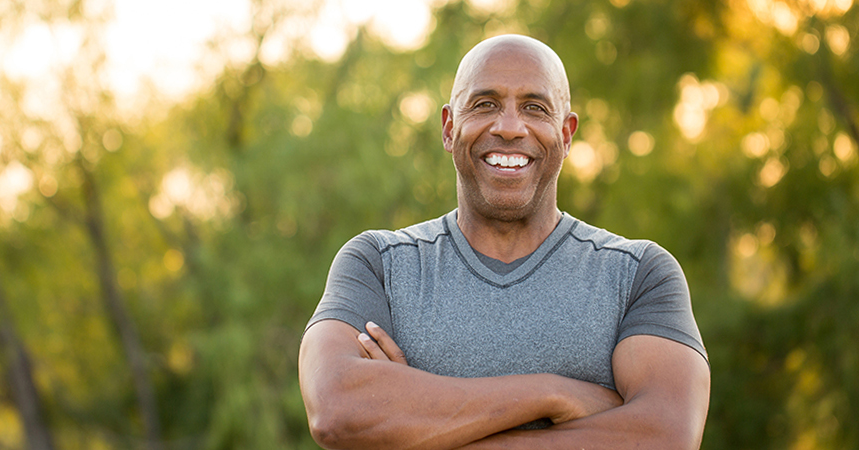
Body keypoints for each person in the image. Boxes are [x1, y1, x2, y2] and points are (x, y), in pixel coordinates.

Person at [297, 34, 710, 449]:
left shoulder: (639, 275)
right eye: (484, 105)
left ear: (566, 134)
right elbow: (336, 410)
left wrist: (416, 426)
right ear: (448, 128)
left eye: (535, 107)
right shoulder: (378, 265)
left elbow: (667, 435)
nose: (509, 127)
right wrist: (554, 394)